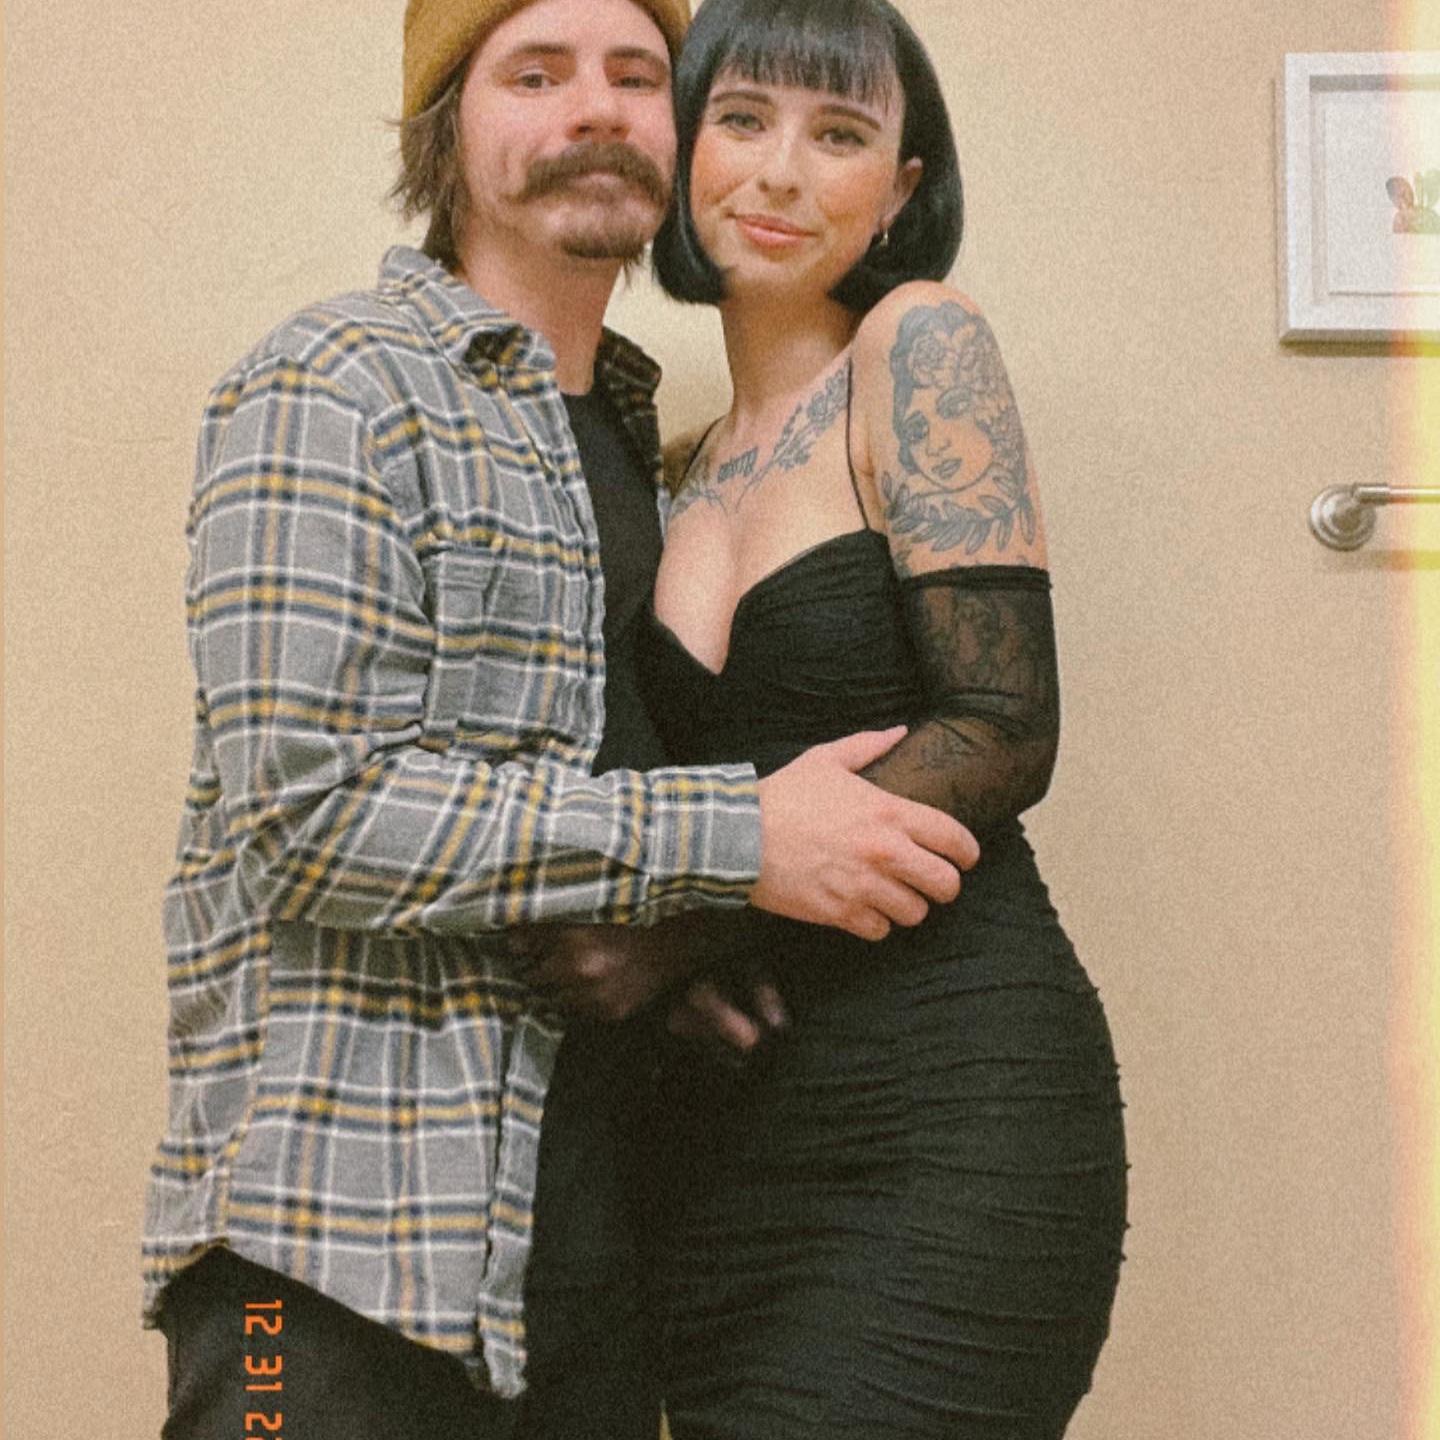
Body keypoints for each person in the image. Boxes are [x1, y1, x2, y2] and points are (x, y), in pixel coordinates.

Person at [140, 1, 981, 1435]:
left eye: (637, 75)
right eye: (536, 74)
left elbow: (577, 809)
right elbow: (309, 812)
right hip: (335, 1251)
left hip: (591, 1253)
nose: (595, 108)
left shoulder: (647, 453)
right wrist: (740, 836)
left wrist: (674, 957)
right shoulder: (337, 382)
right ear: (446, 129)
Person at [549, 0, 1128, 1434]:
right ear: (682, 150)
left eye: (842, 134)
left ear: (902, 187)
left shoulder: (917, 346)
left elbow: (1003, 722)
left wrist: (689, 931)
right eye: (742, 120)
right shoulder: (673, 461)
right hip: (726, 1144)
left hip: (950, 1100)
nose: (782, 172)